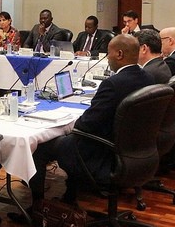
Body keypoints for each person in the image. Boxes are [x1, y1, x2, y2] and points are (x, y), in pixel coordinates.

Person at [9, 35, 155, 222]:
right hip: (136, 151)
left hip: (104, 152)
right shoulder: (148, 77)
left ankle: (36, 211)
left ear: (119, 54)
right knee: (67, 141)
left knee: (41, 147)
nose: (106, 58)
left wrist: (69, 125)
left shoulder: (113, 84)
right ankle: (69, 197)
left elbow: (87, 124)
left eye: (108, 54)